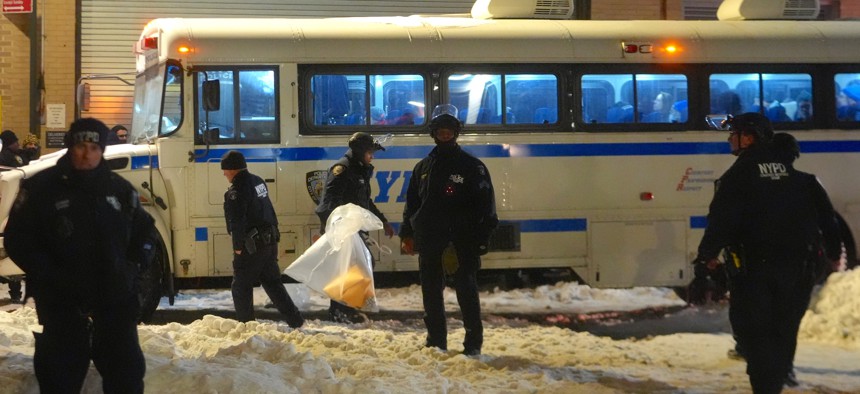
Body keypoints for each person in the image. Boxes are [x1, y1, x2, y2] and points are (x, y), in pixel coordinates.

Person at [4, 118, 157, 393]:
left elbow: (145, 232)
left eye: (94, 147)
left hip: (114, 299)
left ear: (102, 150)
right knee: (60, 377)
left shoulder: (119, 189)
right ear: (69, 148)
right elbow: (18, 239)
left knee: (126, 375)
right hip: (62, 301)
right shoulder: (42, 188)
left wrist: (132, 269)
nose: (87, 154)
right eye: (80, 146)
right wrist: (47, 274)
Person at [693, 113, 842, 393]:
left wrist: (706, 258)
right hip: (800, 269)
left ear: (748, 137)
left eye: (733, 133)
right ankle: (778, 376)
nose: (729, 139)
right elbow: (829, 221)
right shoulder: (804, 180)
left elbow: (722, 221)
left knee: (756, 333)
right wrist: (833, 255)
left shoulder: (737, 177)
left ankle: (766, 387)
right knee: (784, 329)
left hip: (755, 271)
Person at [399, 104, 498, 356]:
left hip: (461, 240)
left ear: (456, 133)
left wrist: (482, 238)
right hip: (430, 240)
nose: (445, 135)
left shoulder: (471, 166)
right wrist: (407, 234)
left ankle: (473, 344)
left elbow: (486, 205)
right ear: (433, 134)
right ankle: (436, 342)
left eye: (449, 131)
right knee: (431, 293)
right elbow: (412, 204)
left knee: (467, 292)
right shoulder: (422, 167)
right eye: (440, 131)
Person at [315, 132, 395, 323]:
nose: (372, 156)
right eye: (370, 152)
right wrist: (339, 230)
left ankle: (346, 309)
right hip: (344, 230)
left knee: (359, 267)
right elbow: (328, 203)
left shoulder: (358, 170)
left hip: (354, 227)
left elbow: (365, 201)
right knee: (351, 269)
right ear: (360, 152)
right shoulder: (342, 169)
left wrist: (383, 221)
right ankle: (339, 311)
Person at [221, 150, 304, 328]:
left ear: (233, 169)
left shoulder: (236, 191)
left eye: (225, 170)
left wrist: (237, 247)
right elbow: (268, 209)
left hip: (252, 246)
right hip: (269, 241)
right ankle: (296, 320)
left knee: (240, 286)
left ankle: (246, 326)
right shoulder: (258, 181)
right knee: (273, 284)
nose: (224, 173)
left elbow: (237, 221)